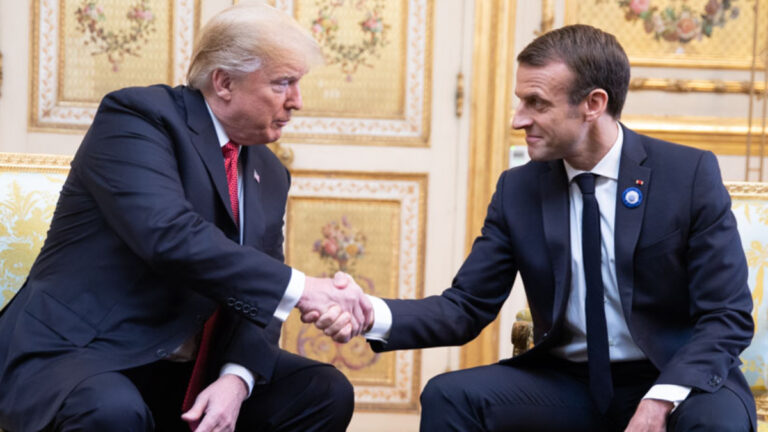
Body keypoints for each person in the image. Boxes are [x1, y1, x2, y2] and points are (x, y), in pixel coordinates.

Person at [315, 24, 757, 431]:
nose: (517, 119)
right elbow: (466, 307)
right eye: (520, 100)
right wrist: (372, 314)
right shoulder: (518, 190)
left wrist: (659, 400)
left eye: (537, 103)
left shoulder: (686, 174)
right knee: (451, 397)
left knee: (713, 423)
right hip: (570, 384)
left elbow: (727, 316)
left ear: (593, 104)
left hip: (677, 377)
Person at [0, 4, 373, 432]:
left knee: (323, 392)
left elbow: (260, 294)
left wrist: (236, 379)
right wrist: (304, 289)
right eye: (282, 83)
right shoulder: (138, 119)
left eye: (297, 84)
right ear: (224, 82)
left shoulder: (268, 172)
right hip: (84, 353)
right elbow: (169, 236)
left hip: (186, 365)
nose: (297, 102)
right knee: (113, 412)